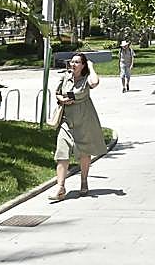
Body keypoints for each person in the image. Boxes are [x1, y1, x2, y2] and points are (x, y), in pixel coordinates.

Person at [49, 52, 107, 202]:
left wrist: (91, 67)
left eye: (76, 62)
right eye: (72, 62)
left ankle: (84, 181)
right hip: (67, 120)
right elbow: (57, 93)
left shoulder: (87, 78)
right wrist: (62, 100)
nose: (73, 64)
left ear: (83, 65)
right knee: (61, 152)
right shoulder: (65, 77)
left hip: (84, 120)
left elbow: (94, 83)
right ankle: (60, 187)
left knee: (84, 153)